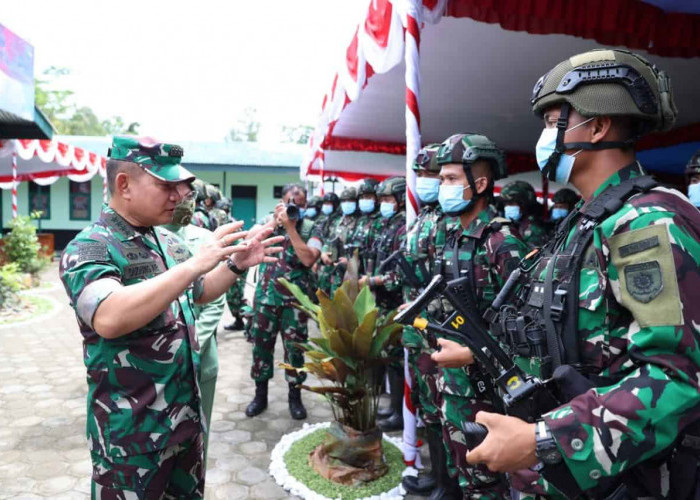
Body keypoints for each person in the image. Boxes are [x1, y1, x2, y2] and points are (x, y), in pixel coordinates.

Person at [464, 49, 700, 500]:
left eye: (553, 121)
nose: (543, 136)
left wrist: (544, 440)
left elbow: (676, 377)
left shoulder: (644, 224)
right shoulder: (588, 220)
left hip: (622, 480)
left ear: (597, 125)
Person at [59, 137, 283, 499]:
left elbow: (199, 292)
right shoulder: (91, 247)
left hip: (184, 423)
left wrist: (234, 265)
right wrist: (196, 261)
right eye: (166, 186)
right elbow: (109, 316)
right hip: (132, 437)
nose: (179, 196)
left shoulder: (167, 241)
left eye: (180, 186)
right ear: (124, 184)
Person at [427, 133, 528, 499]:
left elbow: (530, 330)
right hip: (454, 386)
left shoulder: (502, 243)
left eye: (451, 179)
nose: (443, 187)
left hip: (490, 395)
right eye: (442, 180)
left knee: (489, 483)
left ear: (480, 183)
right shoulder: (453, 237)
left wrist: (471, 353)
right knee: (466, 474)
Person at [394, 144, 451, 497]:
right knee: (429, 409)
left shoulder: (448, 219)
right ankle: (437, 474)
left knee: (446, 413)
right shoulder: (426, 215)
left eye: (434, 175)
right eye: (424, 176)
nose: (427, 182)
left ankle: (450, 485)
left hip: (440, 330)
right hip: (418, 331)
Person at [160, 190, 225, 467]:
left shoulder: (205, 239)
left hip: (201, 358)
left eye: (191, 195)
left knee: (198, 440)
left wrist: (191, 340)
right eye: (178, 194)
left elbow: (213, 301)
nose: (184, 201)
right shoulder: (146, 238)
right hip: (159, 363)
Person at [245, 183, 321, 420]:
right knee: (261, 348)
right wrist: (275, 223)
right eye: (288, 203)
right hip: (266, 298)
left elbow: (309, 259)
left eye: (297, 204)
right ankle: (260, 395)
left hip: (295, 303)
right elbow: (248, 243)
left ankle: (295, 397)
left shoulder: (311, 227)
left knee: (295, 351)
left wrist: (292, 229)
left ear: (305, 205)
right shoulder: (269, 223)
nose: (292, 208)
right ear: (280, 203)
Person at [360, 176, 407, 433]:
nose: (384, 204)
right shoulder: (387, 225)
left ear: (400, 201)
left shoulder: (403, 227)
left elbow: (401, 273)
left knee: (397, 361)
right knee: (389, 358)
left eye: (389, 200)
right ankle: (393, 408)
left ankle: (399, 413)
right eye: (383, 200)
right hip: (383, 302)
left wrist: (373, 280)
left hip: (395, 303)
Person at [323, 186, 359, 296]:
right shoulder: (337, 221)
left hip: (353, 276)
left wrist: (350, 263)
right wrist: (324, 253)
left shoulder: (362, 222)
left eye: (350, 200)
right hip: (335, 274)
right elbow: (329, 240)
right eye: (344, 201)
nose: (347, 203)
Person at [500, 180, 549, 249]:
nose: (507, 207)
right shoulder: (516, 224)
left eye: (511, 203)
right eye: (506, 203)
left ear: (524, 204)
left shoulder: (534, 230)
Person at [350, 178, 382, 275]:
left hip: (374, 274)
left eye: (368, 197)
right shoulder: (361, 220)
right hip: (358, 272)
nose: (364, 200)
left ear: (377, 199)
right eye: (362, 197)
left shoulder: (382, 221)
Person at [313, 192, 341, 296]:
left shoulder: (340, 221)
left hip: (335, 265)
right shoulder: (323, 220)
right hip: (322, 265)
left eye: (329, 203)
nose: (326, 206)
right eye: (325, 203)